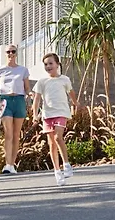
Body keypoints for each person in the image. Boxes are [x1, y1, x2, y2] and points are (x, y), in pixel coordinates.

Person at [32, 53, 80, 186]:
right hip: (47, 115)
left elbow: (71, 92)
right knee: (52, 144)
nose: (48, 66)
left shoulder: (64, 79)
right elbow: (36, 100)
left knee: (58, 138)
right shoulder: (42, 82)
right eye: (45, 64)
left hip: (61, 112)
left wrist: (75, 102)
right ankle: (57, 172)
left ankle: (66, 164)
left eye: (50, 63)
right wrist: (35, 115)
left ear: (57, 64)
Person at [0, 44, 30, 174]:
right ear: (5, 54)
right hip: (5, 101)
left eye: (13, 51)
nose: (10, 54)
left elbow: (27, 87)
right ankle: (7, 164)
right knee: (8, 133)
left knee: (16, 134)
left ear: (16, 53)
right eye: (8, 52)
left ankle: (12, 164)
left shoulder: (23, 70)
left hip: (19, 100)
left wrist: (30, 95)